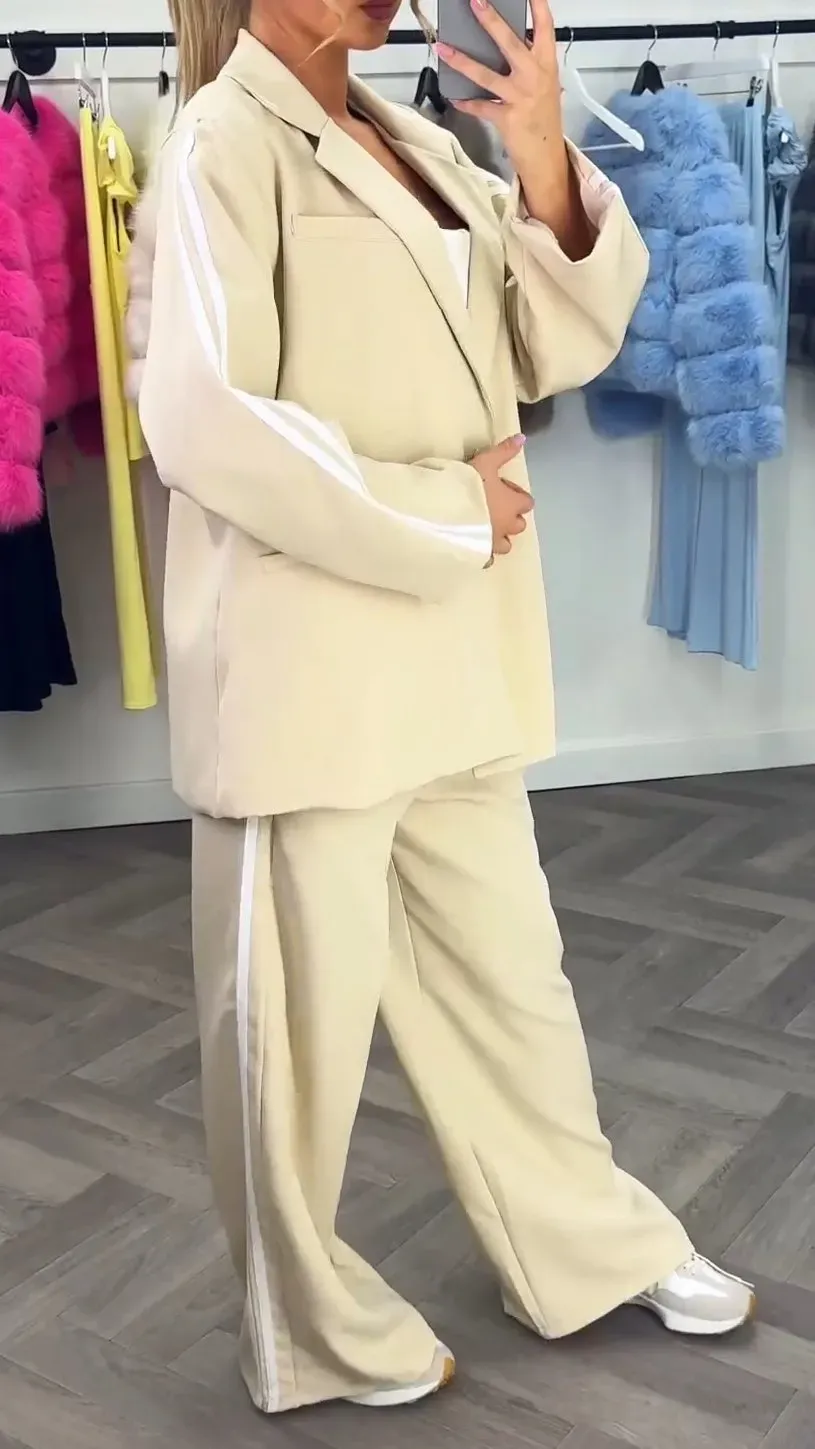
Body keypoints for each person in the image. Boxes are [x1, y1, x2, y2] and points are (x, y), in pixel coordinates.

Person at [137, 0, 755, 1416]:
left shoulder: (414, 141)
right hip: (308, 677)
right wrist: (448, 511)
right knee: (290, 1044)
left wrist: (534, 146)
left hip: (457, 663)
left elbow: (549, 349)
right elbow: (205, 421)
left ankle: (584, 1250)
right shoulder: (222, 144)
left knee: (513, 992)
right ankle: (307, 1333)